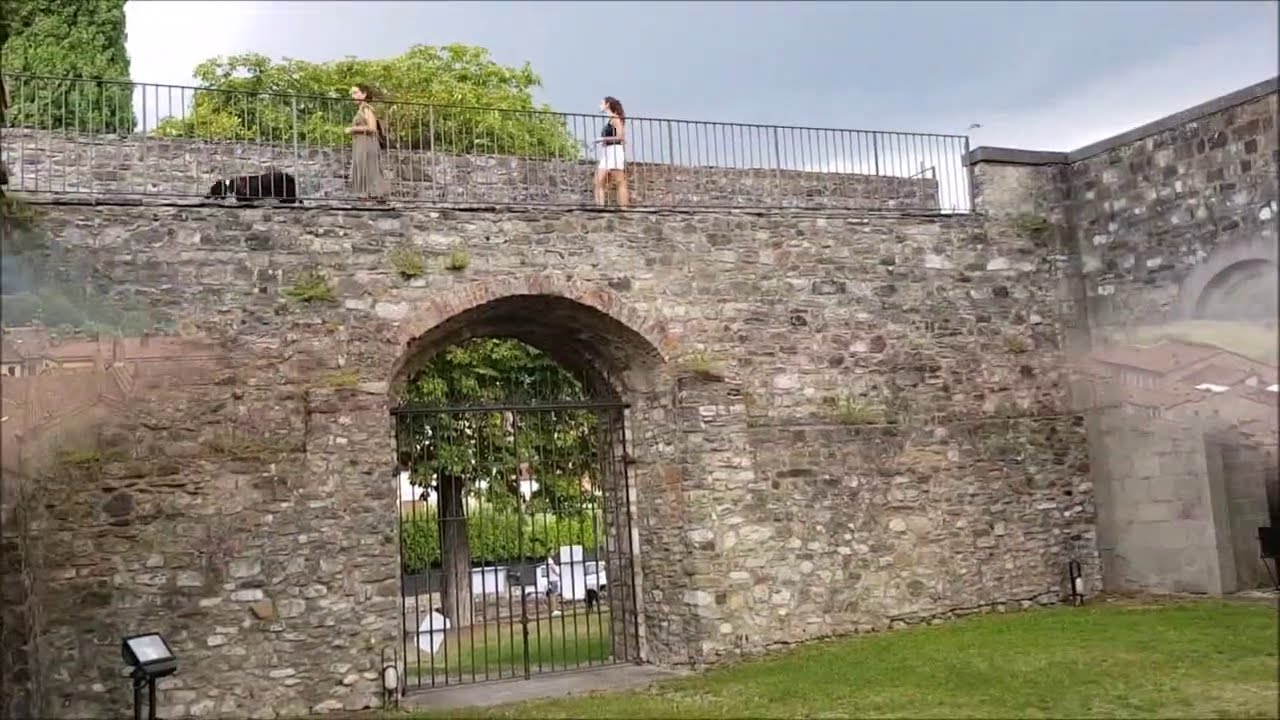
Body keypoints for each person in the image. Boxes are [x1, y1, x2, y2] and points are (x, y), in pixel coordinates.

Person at [346, 85, 390, 201]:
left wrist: (353, 129)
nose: (353, 96)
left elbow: (372, 128)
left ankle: (376, 195)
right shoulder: (361, 109)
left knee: (369, 168)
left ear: (364, 94)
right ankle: (365, 195)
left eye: (356, 93)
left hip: (367, 143)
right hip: (361, 143)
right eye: (353, 93)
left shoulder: (366, 108)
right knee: (363, 167)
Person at [593, 96, 629, 208]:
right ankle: (600, 207)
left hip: (615, 151)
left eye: (601, 103)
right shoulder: (610, 120)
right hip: (607, 152)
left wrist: (603, 139)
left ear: (607, 104)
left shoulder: (615, 119)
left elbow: (620, 137)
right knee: (598, 181)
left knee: (619, 182)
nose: (600, 105)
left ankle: (624, 209)